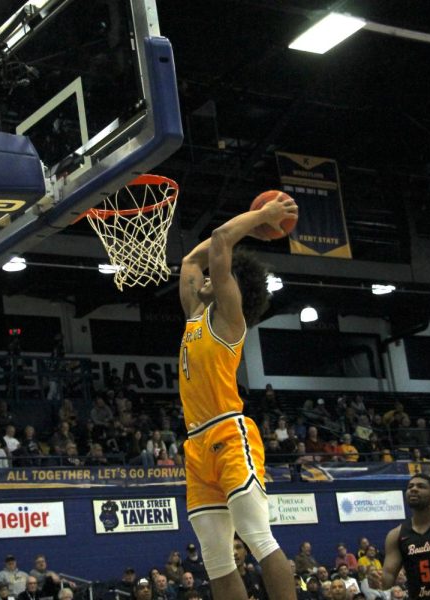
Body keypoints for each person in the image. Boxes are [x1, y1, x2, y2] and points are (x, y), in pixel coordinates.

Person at [178, 197, 298, 600]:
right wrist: (252, 224)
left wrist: (261, 218)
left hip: (229, 434)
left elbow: (218, 241)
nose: (207, 276)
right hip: (196, 445)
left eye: (219, 274)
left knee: (257, 538)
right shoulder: (195, 313)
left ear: (234, 286)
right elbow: (191, 263)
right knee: (216, 560)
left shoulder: (230, 319)